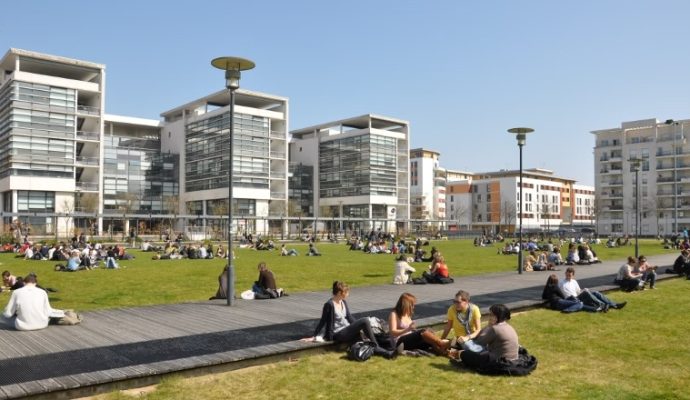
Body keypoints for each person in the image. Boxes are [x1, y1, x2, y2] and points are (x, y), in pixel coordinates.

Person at [302, 281, 399, 359]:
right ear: (340, 293)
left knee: (365, 330)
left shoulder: (343, 302)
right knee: (365, 320)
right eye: (346, 292)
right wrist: (314, 336)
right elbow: (323, 321)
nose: (348, 294)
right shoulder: (329, 305)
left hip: (346, 330)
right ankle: (378, 348)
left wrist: (358, 327)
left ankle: (388, 353)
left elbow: (349, 317)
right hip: (338, 334)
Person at [459, 304, 519, 370]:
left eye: (491, 315)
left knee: (465, 353)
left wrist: (488, 326)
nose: (489, 317)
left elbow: (479, 342)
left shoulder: (495, 328)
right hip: (513, 359)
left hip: (499, 362)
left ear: (497, 316)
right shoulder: (508, 326)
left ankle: (457, 349)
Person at [560, 267, 626, 311]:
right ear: (565, 273)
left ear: (573, 275)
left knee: (595, 292)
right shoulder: (561, 282)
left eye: (570, 275)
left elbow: (578, 291)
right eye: (567, 274)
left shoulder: (574, 281)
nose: (568, 276)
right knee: (586, 293)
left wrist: (584, 290)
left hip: (577, 296)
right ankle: (603, 305)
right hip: (572, 299)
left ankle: (614, 304)